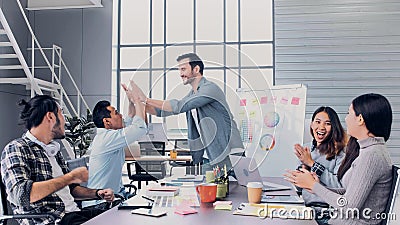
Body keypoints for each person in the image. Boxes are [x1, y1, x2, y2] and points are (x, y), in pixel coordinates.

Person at [1, 95, 115, 225]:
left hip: (73, 215)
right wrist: (70, 177)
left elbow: (70, 189)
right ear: (50, 117)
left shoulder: (53, 150)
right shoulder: (17, 148)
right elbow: (21, 196)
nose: (65, 121)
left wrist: (97, 193)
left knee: (119, 212)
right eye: (61, 113)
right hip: (53, 220)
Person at [285, 93, 393, 225]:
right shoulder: (368, 151)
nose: (346, 119)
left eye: (349, 113)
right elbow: (348, 194)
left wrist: (313, 185)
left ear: (360, 119)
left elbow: (349, 208)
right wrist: (314, 186)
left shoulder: (372, 155)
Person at [131, 52, 244, 173]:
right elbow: (163, 111)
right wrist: (136, 102)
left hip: (228, 150)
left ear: (196, 69)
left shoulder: (210, 88)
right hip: (209, 154)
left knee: (235, 189)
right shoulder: (193, 94)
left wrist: (146, 99)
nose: (181, 74)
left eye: (183, 69)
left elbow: (179, 106)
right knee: (208, 188)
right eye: (179, 70)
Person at [84, 83, 147, 207]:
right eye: (116, 113)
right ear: (107, 122)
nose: (120, 115)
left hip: (113, 198)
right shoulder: (107, 139)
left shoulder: (110, 135)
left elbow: (129, 119)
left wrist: (131, 102)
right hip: (99, 204)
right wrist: (138, 101)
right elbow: (140, 127)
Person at [294, 106, 347, 224]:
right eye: (317, 122)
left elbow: (340, 186)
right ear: (312, 124)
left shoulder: (340, 152)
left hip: (326, 214)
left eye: (327, 123)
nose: (321, 127)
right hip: (306, 208)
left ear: (333, 128)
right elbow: (300, 189)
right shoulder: (307, 148)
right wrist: (301, 172)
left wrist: (312, 164)